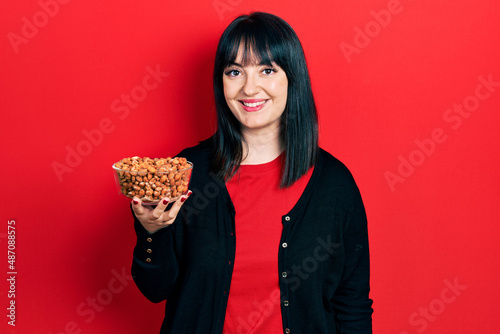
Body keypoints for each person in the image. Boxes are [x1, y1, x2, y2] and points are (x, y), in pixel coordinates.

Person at [130, 12, 373, 333]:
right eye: (235, 72)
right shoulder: (186, 172)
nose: (249, 87)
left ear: (292, 78)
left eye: (267, 70)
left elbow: (352, 304)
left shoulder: (334, 184)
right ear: (222, 82)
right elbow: (154, 289)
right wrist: (152, 232)